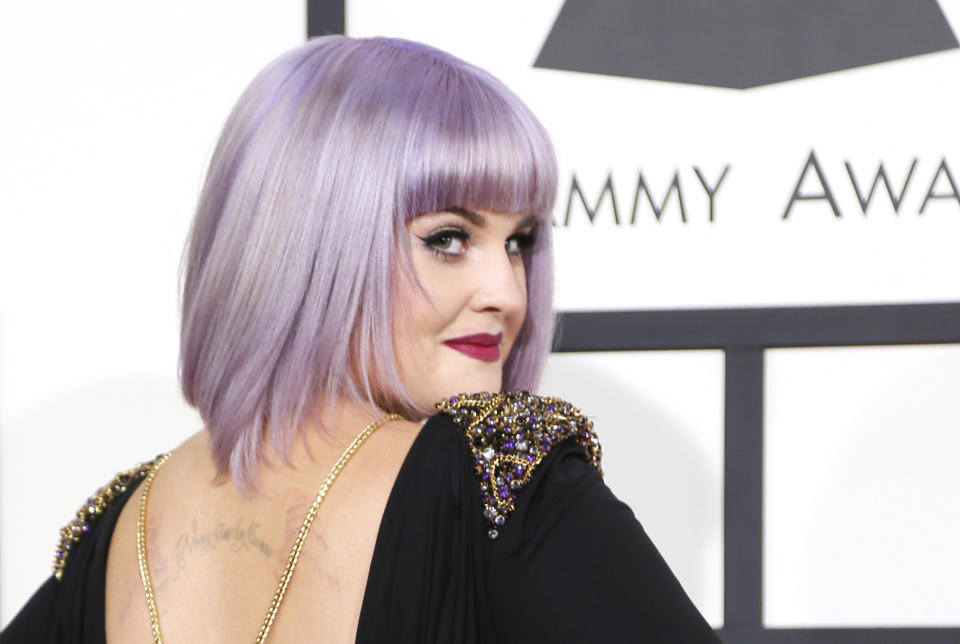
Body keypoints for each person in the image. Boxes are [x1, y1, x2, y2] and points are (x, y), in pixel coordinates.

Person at [0, 36, 720, 643]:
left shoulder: (116, 527)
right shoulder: (499, 474)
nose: (506, 293)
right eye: (448, 238)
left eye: (519, 242)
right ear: (310, 244)